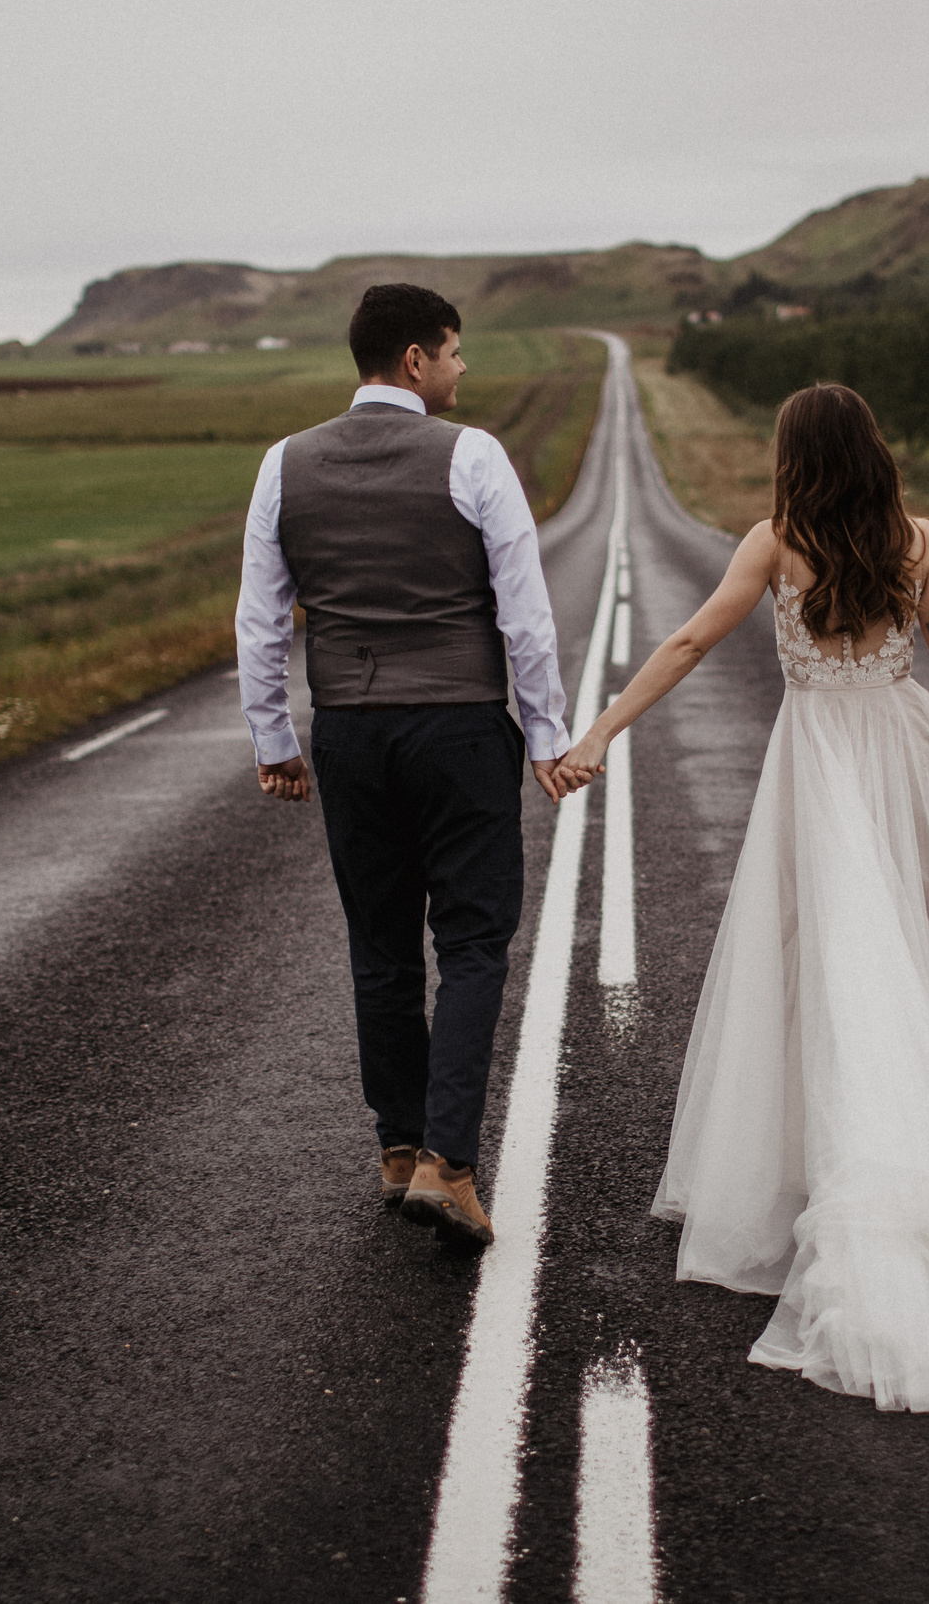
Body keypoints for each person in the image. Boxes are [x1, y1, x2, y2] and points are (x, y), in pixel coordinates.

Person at [560, 382, 929, 1412]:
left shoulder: (774, 539)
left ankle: (865, 1176)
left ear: (793, 455)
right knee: (896, 959)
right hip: (899, 753)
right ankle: (884, 1150)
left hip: (819, 768)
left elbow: (688, 642)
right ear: (874, 451)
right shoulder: (923, 538)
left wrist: (599, 734)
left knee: (830, 964)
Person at [235, 283, 579, 1247]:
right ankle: (449, 1165)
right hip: (460, 728)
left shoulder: (283, 463)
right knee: (471, 943)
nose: (463, 370)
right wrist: (545, 733)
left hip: (350, 731)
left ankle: (398, 1149)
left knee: (380, 945)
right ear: (416, 361)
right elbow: (524, 612)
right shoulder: (472, 455)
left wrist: (275, 739)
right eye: (455, 353)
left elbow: (262, 618)